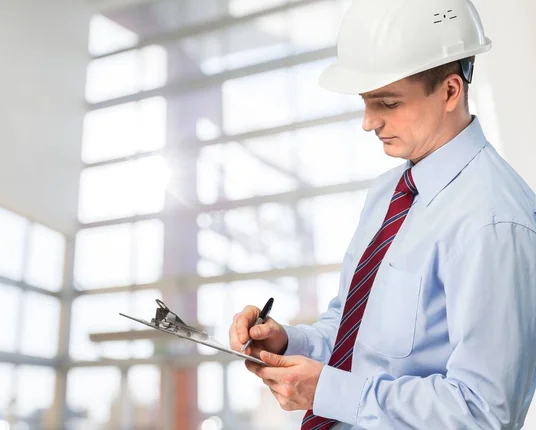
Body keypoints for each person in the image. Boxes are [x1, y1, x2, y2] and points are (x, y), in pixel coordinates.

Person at [228, 0, 536, 428]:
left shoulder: (493, 220)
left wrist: (328, 391)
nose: (368, 122)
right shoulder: (387, 194)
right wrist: (287, 341)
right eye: (366, 102)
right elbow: (354, 333)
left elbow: (484, 412)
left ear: (450, 91)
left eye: (387, 103)